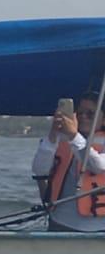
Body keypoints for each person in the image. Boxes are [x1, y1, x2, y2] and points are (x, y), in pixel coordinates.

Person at [32, 91, 105, 232]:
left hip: (98, 228)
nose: (83, 117)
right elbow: (39, 170)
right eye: (79, 113)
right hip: (61, 222)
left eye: (90, 114)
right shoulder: (61, 140)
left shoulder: (76, 138)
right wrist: (53, 136)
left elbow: (97, 166)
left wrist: (73, 135)